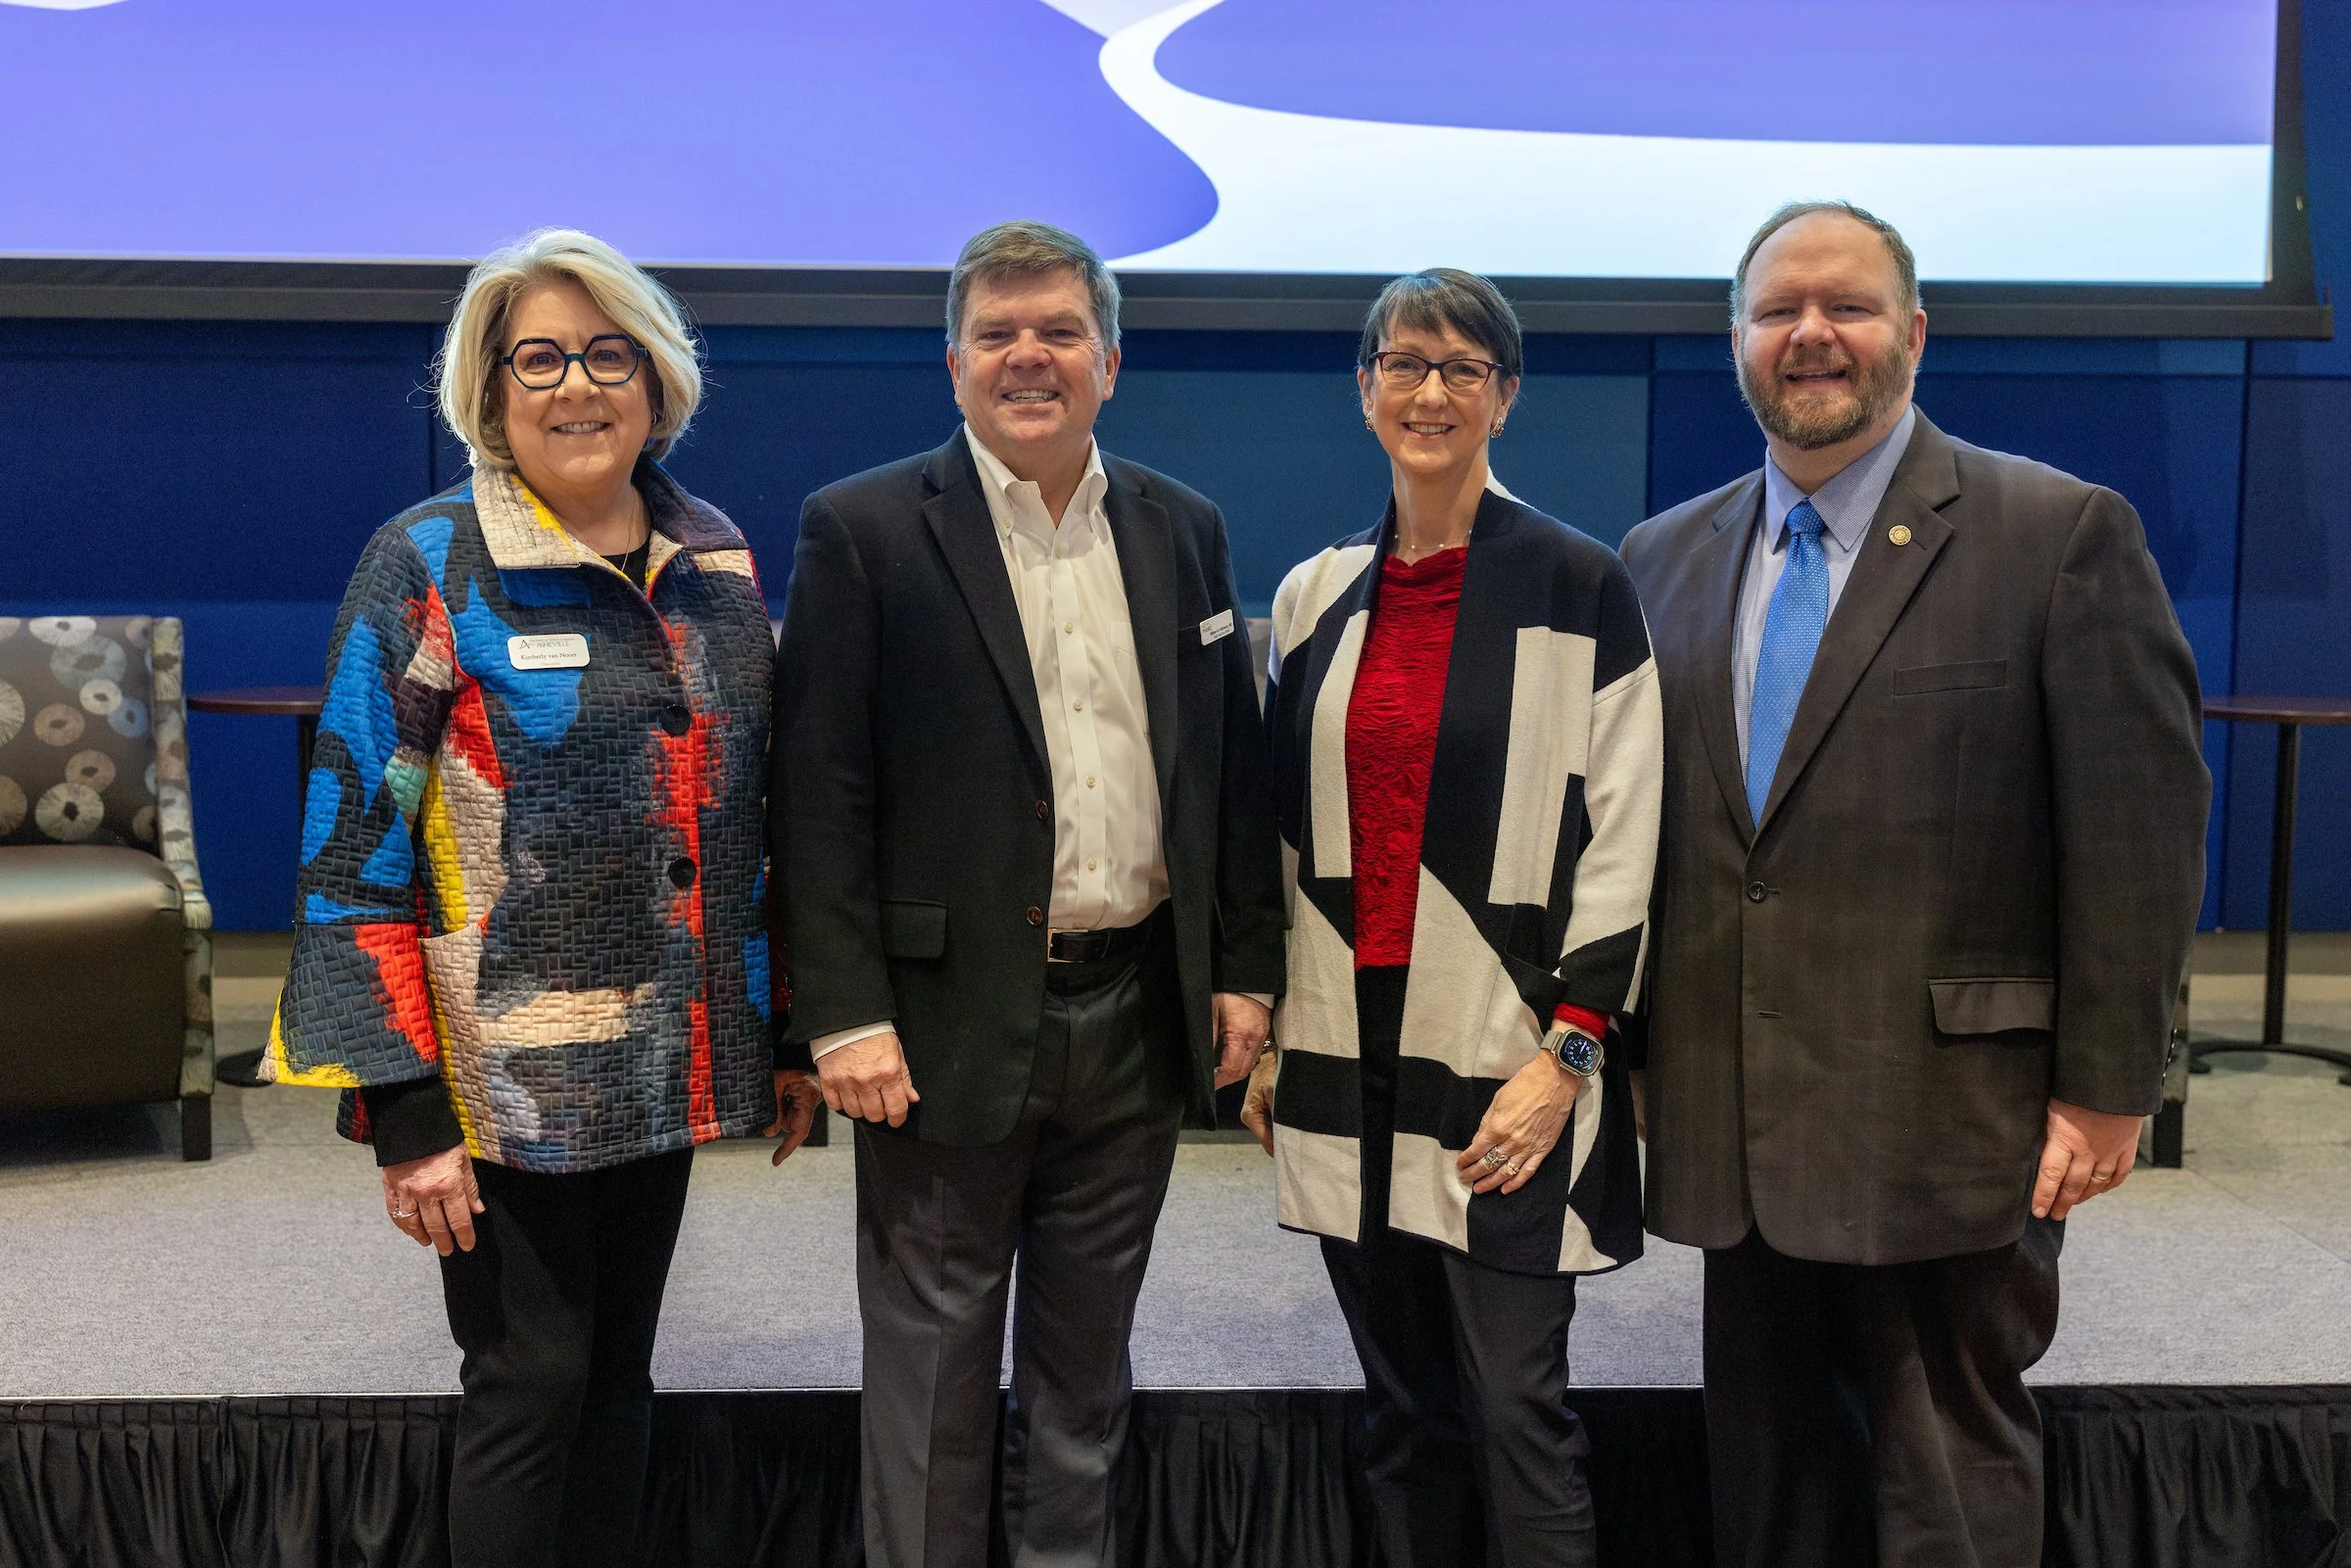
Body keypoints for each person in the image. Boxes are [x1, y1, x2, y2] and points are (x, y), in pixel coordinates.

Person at [1618, 201, 2210, 1568]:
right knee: (1764, 1477)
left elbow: (2139, 827)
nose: (1811, 335)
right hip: (1735, 1114)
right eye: (1778, 311)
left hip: (1950, 1116)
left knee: (1942, 1481)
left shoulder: (2058, 533)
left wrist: (2112, 1082)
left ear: (1915, 333)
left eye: (1849, 306)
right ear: (1739, 343)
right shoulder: (1664, 556)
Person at [266, 227, 821, 1568]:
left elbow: (755, 816)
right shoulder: (428, 559)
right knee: (529, 1388)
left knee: (621, 1379)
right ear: (492, 392)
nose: (577, 386)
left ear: (657, 381)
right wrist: (402, 1111)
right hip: (498, 1081)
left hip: (669, 1054)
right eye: (540, 359)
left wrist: (788, 1031)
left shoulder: (717, 557)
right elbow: (352, 846)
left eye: (608, 354)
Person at [768, 219, 1287, 1568]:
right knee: (934, 1386)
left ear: (1109, 360)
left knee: (1086, 1378)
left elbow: (1226, 768)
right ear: (953, 365)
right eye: (998, 334)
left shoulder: (1186, 528)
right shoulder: (865, 529)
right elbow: (818, 792)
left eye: (1059, 330)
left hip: (1135, 1011)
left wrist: (1243, 970)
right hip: (935, 1029)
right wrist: (841, 1016)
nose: (1030, 357)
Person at [1242, 268, 1662, 1568]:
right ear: (1364, 390)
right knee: (1404, 1415)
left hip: (1504, 1068)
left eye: (1462, 368)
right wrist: (1267, 1037)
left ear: (1505, 396)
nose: (1431, 391)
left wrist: (1570, 1058)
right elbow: (1279, 837)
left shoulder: (1577, 584)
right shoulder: (1319, 595)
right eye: (1405, 363)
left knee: (1517, 1412)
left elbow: (1629, 843)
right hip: (1344, 1059)